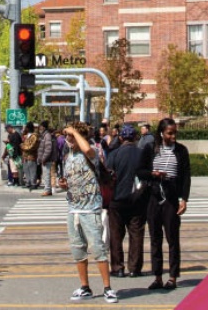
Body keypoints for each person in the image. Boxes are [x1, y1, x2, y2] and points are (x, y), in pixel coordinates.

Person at [54, 121, 121, 303]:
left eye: (71, 137)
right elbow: (68, 178)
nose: (69, 140)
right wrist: (63, 184)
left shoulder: (90, 151)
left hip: (90, 208)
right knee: (78, 250)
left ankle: (107, 287)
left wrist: (75, 133)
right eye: (67, 137)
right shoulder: (69, 157)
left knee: (98, 248)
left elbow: (88, 150)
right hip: (73, 208)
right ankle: (85, 286)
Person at [136, 117, 191, 290]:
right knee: (155, 238)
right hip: (153, 195)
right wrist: (154, 174)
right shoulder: (150, 148)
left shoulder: (181, 150)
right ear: (162, 133)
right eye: (170, 133)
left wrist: (184, 199)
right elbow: (139, 171)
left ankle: (173, 276)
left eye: (175, 133)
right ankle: (157, 276)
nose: (173, 136)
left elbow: (186, 177)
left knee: (172, 238)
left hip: (171, 196)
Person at [102, 122, 146, 279]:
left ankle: (118, 268)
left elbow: (106, 177)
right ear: (135, 137)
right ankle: (135, 268)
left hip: (117, 200)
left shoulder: (114, 155)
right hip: (137, 199)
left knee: (116, 234)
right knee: (136, 233)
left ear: (120, 138)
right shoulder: (142, 154)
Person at [20, 125, 42, 191]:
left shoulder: (34, 136)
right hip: (25, 156)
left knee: (32, 170)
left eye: (25, 128)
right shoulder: (27, 136)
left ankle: (33, 183)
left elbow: (32, 146)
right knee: (26, 170)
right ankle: (28, 182)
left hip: (31, 156)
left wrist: (23, 147)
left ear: (28, 128)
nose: (24, 129)